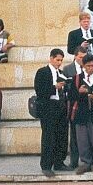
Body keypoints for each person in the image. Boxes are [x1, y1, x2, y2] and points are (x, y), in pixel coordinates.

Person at [35, 49, 71, 177]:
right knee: (49, 137)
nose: (59, 63)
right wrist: (55, 87)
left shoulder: (61, 73)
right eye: (57, 60)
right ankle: (46, 165)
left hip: (61, 106)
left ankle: (59, 162)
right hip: (48, 108)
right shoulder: (43, 72)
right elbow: (40, 90)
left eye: (61, 60)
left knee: (62, 135)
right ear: (51, 58)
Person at [69, 54, 93, 175]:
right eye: (88, 66)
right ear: (83, 66)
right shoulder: (77, 78)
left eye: (92, 65)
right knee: (82, 140)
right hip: (82, 113)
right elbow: (71, 96)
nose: (90, 68)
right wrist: (79, 92)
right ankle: (86, 162)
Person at [63, 46, 88, 169]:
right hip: (73, 106)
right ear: (75, 56)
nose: (82, 59)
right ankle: (74, 161)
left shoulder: (89, 68)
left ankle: (87, 160)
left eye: (84, 57)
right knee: (74, 135)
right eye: (80, 57)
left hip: (87, 104)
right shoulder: (68, 69)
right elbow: (65, 87)